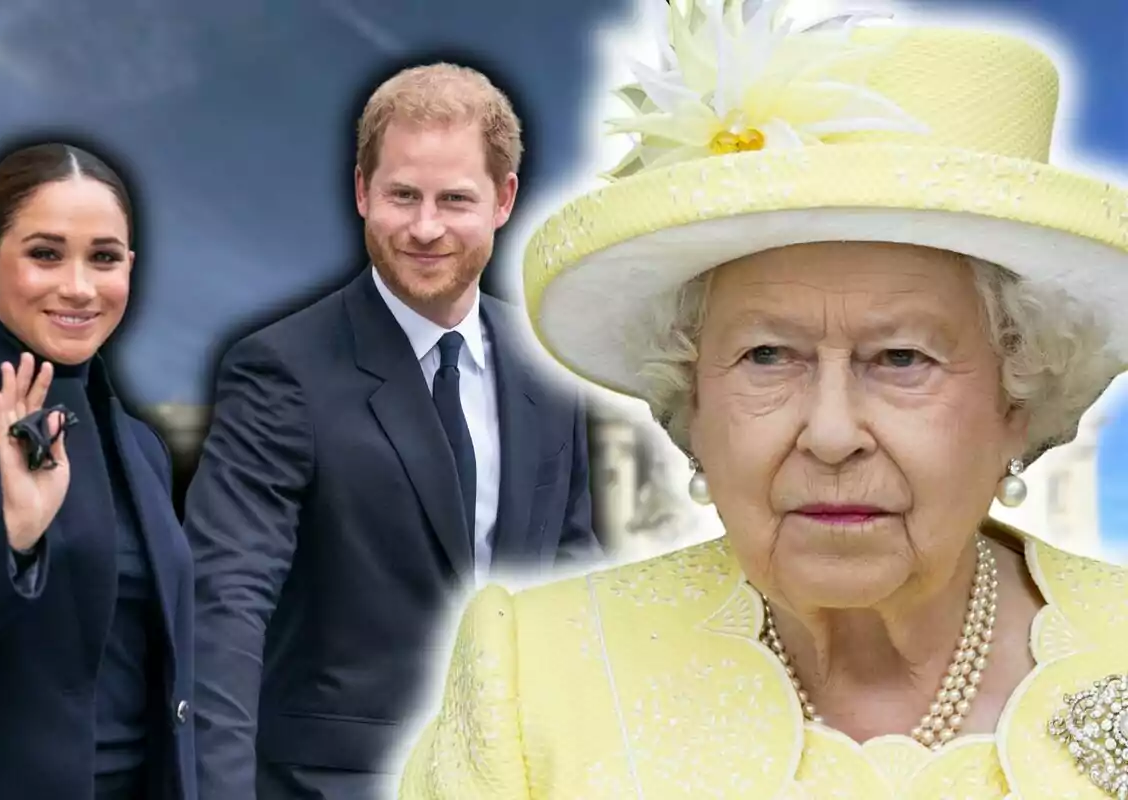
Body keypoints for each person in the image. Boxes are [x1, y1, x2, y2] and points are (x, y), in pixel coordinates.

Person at [399, 2, 1128, 797]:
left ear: (1017, 398)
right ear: (693, 400)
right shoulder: (534, 680)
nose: (831, 433)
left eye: (902, 357)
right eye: (768, 356)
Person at [185, 62, 601, 799]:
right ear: (360, 192)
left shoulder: (548, 370)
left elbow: (571, 580)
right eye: (402, 195)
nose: (426, 227)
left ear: (504, 200)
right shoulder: (279, 369)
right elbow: (227, 600)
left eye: (455, 199)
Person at [0, 142, 197, 799]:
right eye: (45, 254)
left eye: (103, 257)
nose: (78, 286)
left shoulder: (141, 448)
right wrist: (12, 539)